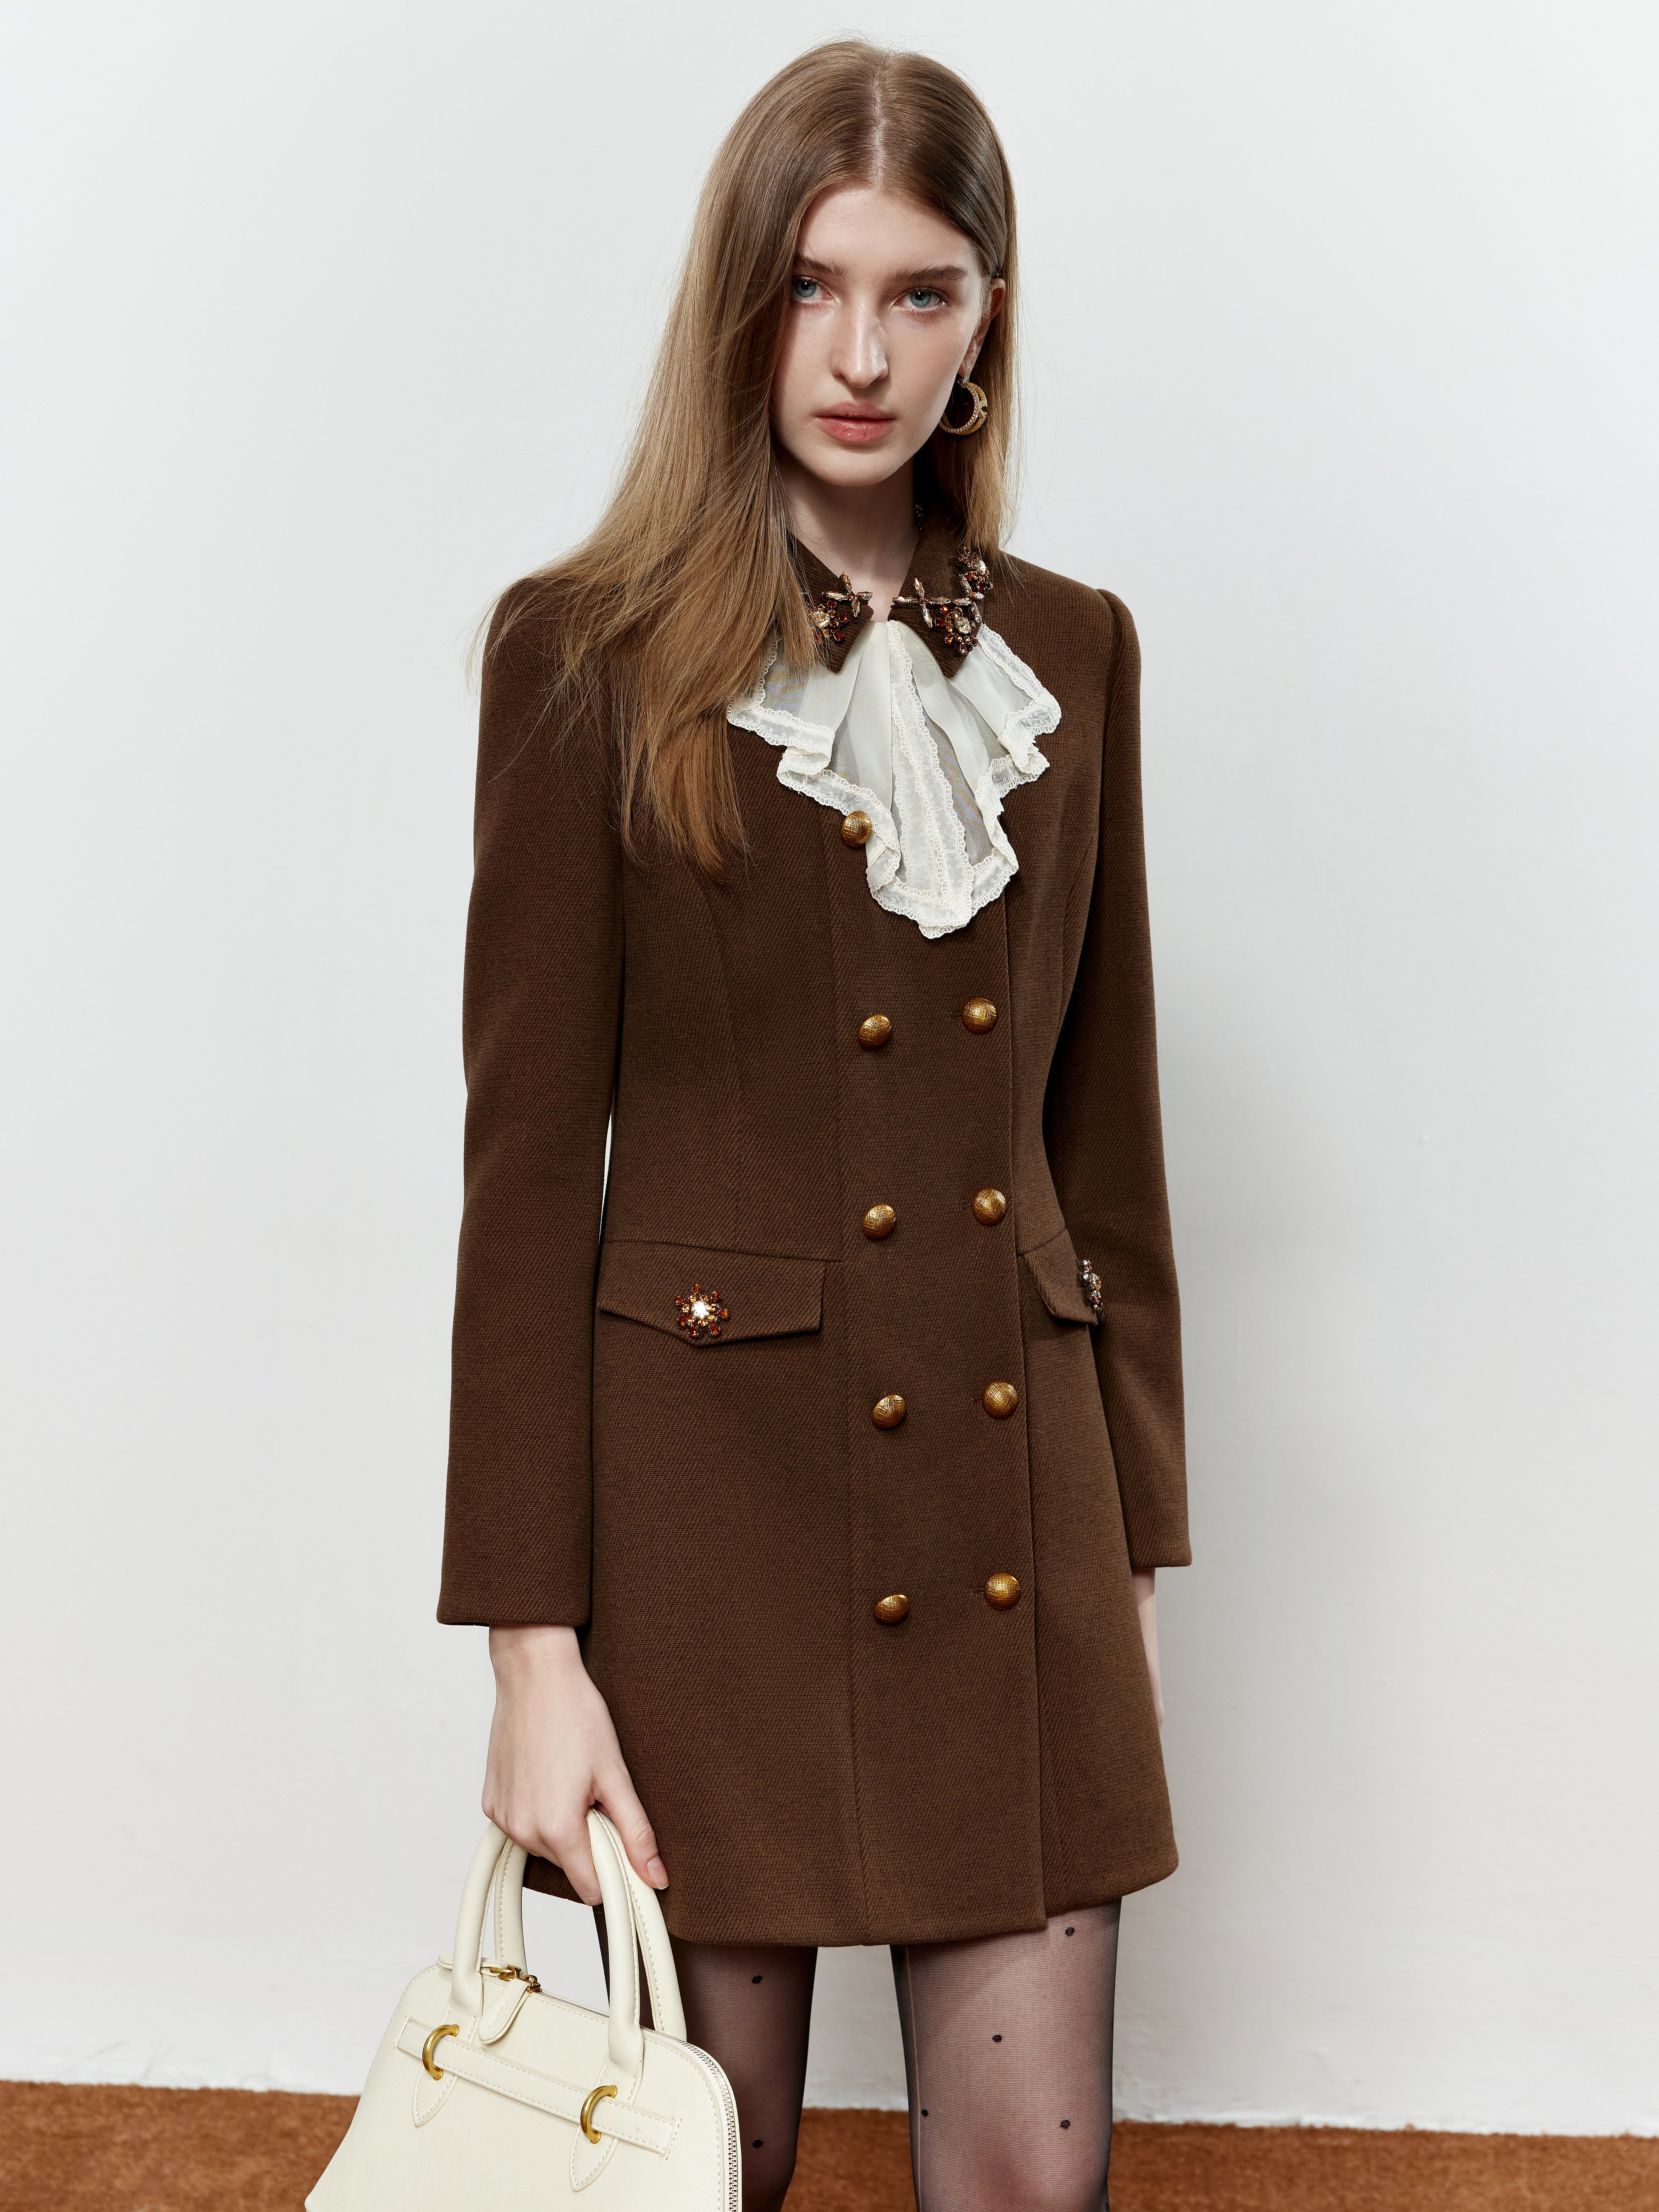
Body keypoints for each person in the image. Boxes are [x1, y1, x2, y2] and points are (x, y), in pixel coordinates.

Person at [439, 38, 1188, 2212]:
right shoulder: (581, 653)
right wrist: (531, 1654)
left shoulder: (1076, 655)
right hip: (707, 1538)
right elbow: (524, 1184)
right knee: (700, 2172)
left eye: (920, 293)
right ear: (739, 305)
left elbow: (1109, 1153)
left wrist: (1133, 1566)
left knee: (1033, 2187)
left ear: (985, 321)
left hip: (1016, 1517)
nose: (862, 354)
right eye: (812, 285)